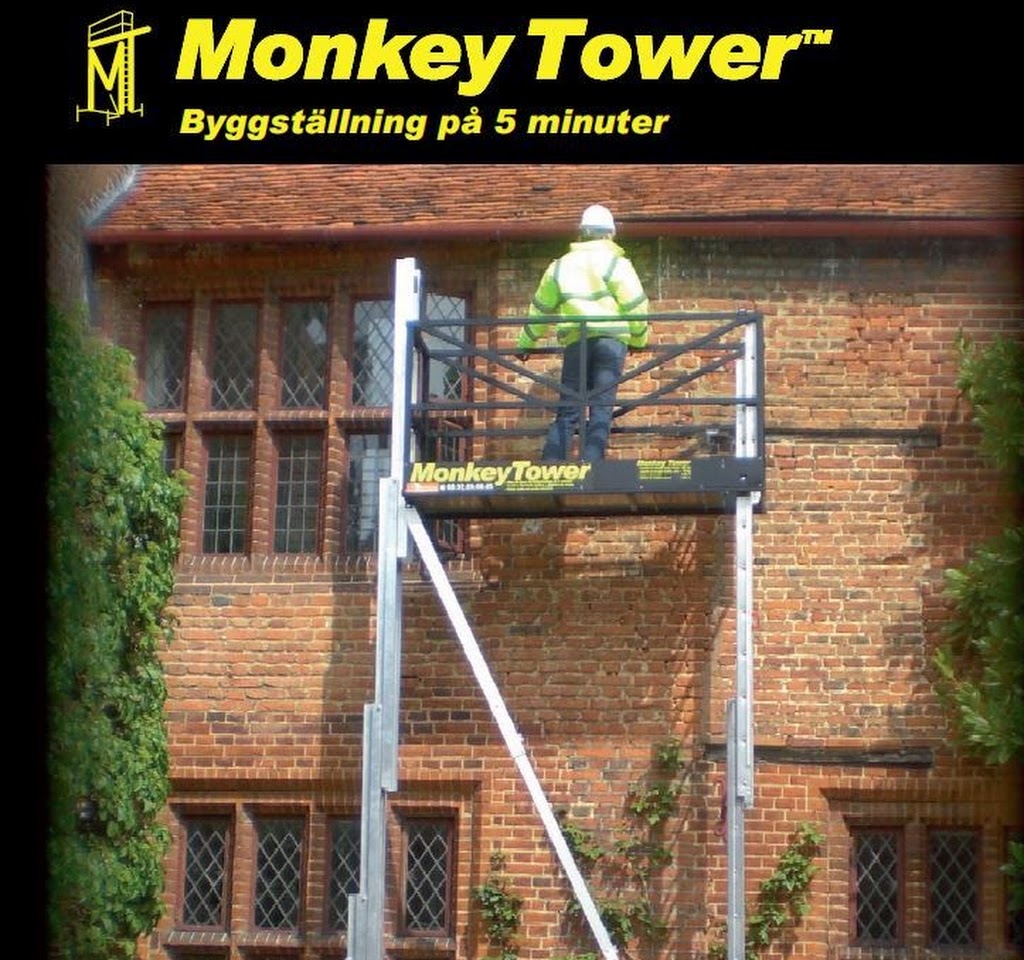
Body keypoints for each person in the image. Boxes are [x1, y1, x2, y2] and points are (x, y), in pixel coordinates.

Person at [516, 204, 649, 462]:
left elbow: (541, 309)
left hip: (577, 341)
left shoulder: (560, 266)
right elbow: (635, 305)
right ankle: (593, 465)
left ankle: (552, 464)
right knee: (601, 408)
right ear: (610, 234)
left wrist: (526, 342)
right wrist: (639, 338)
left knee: (569, 409)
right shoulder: (617, 264)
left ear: (581, 233)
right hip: (611, 341)